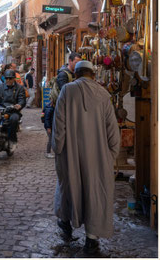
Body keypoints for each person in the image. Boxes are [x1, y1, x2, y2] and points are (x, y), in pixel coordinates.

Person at [51, 60, 120, 256]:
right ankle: (91, 240)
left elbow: (59, 124)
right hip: (98, 156)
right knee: (94, 194)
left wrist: (58, 149)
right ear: (93, 75)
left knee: (68, 188)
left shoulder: (67, 91)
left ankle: (66, 224)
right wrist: (110, 155)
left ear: (77, 73)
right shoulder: (104, 95)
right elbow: (112, 131)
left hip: (70, 153)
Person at [0, 70, 26, 153]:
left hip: (13, 110)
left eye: (10, 78)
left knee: (13, 119)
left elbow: (22, 100)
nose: (8, 80)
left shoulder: (19, 88)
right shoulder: (0, 87)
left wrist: (19, 105)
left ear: (14, 79)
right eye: (7, 78)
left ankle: (12, 140)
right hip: (2, 110)